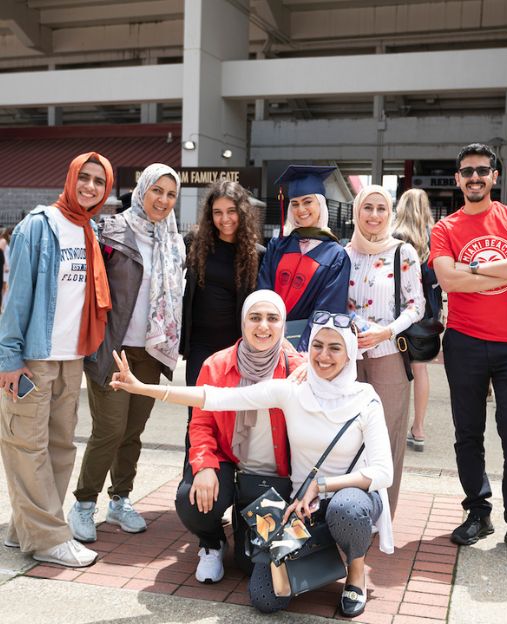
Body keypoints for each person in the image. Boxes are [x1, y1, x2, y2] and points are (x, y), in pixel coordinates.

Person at [110, 311, 393, 618]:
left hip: (350, 497)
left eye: (335, 348)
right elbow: (214, 398)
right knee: (264, 600)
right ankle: (317, 556)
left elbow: (382, 472)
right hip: (298, 509)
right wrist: (144, 389)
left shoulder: (365, 398)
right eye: (317, 345)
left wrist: (322, 485)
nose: (323, 356)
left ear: (350, 353)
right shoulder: (292, 390)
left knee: (346, 508)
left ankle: (355, 574)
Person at [430, 143, 507, 560]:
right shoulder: (445, 228)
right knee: (468, 434)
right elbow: (448, 282)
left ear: (495, 175)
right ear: (458, 179)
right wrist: (502, 268)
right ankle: (478, 510)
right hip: (465, 342)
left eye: (482, 170)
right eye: (466, 171)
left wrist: (471, 269)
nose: (474, 177)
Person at [0, 152, 114, 567]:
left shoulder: (89, 229)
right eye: (83, 178)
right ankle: (49, 539)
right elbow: (16, 298)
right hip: (35, 357)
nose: (89, 187)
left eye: (99, 182)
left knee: (60, 448)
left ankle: (24, 527)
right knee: (26, 446)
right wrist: (8, 358)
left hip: (71, 358)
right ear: (70, 178)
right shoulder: (39, 226)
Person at [67, 163, 185, 544]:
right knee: (110, 428)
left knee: (133, 430)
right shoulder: (111, 230)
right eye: (157, 191)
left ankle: (120, 499)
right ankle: (84, 503)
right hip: (113, 347)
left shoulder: (174, 240)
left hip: (150, 351)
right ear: (143, 190)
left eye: (171, 194)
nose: (163, 200)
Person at [176, 290, 302, 583]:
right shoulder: (216, 365)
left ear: (283, 324)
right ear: (242, 322)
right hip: (229, 464)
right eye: (255, 318)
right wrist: (205, 466)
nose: (263, 326)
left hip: (273, 479)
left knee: (248, 566)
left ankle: (243, 523)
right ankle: (211, 543)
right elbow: (201, 424)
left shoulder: (296, 369)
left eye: (272, 318)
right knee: (191, 499)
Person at [346, 184, 424, 512]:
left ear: (390, 213)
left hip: (388, 354)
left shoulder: (401, 252)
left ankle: (382, 513)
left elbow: (416, 305)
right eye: (368, 208)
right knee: (349, 434)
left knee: (388, 433)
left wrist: (386, 332)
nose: (374, 215)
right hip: (348, 358)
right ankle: (349, 507)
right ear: (357, 212)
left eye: (381, 209)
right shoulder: (344, 253)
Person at [180, 179, 265, 460]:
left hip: (236, 351)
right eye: (217, 212)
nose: (225, 219)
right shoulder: (194, 244)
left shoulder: (256, 255)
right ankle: (191, 480)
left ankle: (228, 485)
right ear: (209, 215)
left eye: (231, 211)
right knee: (197, 415)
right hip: (201, 348)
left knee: (233, 418)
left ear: (242, 212)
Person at [257, 165, 351, 351]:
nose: (301, 209)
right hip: (267, 338)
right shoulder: (278, 246)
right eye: (295, 203)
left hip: (308, 346)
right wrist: (268, 333)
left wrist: (301, 350)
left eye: (308, 202)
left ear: (320, 203)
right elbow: (263, 292)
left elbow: (327, 310)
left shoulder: (336, 255)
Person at [393, 188, 442, 452]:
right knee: (421, 369)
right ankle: (419, 429)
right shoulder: (435, 238)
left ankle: (395, 428)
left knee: (396, 371)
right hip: (428, 315)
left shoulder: (394, 238)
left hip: (399, 313)